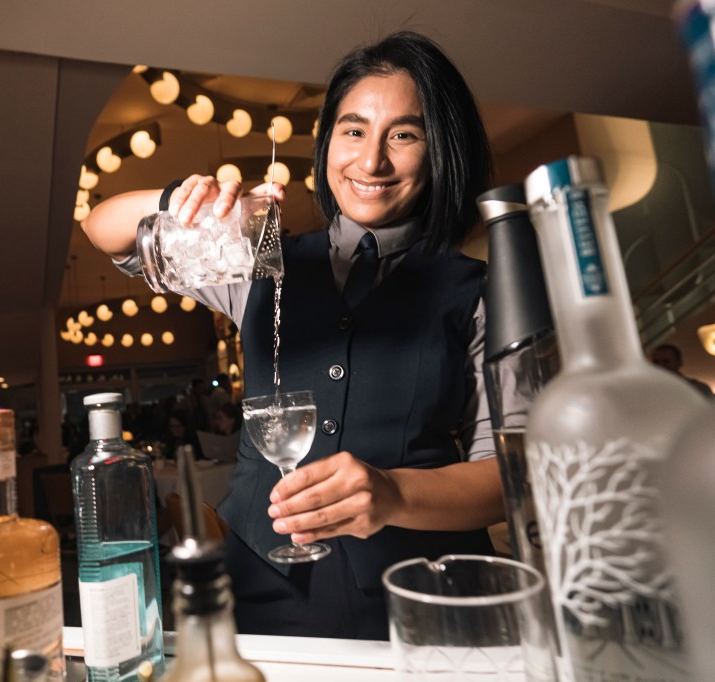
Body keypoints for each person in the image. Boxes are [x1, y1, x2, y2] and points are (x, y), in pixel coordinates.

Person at [83, 31, 503, 639]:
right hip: (257, 592)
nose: (371, 161)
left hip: (420, 598)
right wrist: (179, 200)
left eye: (404, 135)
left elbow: (511, 477)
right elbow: (106, 230)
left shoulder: (479, 289)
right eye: (353, 130)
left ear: (441, 152)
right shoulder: (256, 261)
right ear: (326, 140)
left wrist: (392, 493)